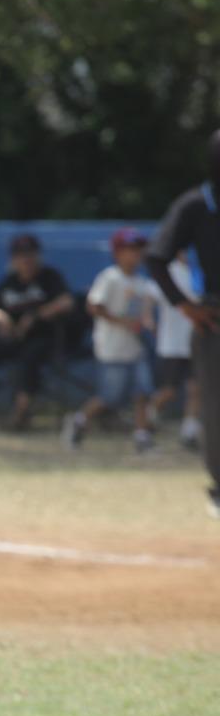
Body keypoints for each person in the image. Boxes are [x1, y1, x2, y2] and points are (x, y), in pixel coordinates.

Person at [144, 127, 220, 519]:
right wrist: (186, 306)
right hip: (214, 317)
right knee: (214, 400)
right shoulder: (195, 206)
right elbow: (156, 258)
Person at [61, 229, 159, 452]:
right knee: (109, 397)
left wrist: (147, 324)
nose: (136, 254)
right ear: (118, 253)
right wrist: (121, 322)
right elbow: (94, 305)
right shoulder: (110, 277)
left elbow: (145, 312)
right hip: (112, 347)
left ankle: (142, 438)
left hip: (135, 347)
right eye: (130, 250)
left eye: (138, 250)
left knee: (142, 392)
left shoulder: (142, 282)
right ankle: (78, 421)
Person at [0, 234, 76, 431]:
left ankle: (19, 417)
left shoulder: (49, 277)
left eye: (30, 255)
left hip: (45, 338)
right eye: (20, 256)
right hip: (14, 339)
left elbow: (67, 302)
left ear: (38, 256)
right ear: (13, 259)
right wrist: (1, 316)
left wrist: (36, 315)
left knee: (30, 357)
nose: (26, 260)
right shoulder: (9, 282)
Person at [149, 250, 203, 452]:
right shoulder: (167, 271)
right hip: (171, 343)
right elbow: (150, 296)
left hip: (194, 341)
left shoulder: (197, 273)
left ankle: (189, 432)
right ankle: (147, 416)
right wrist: (148, 319)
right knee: (169, 391)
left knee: (195, 388)